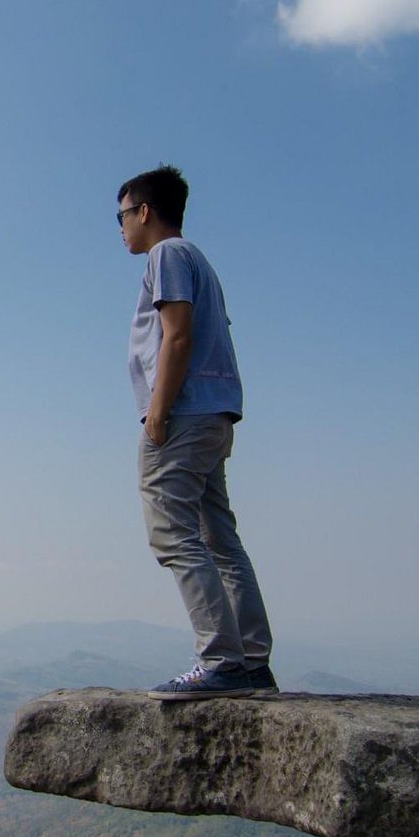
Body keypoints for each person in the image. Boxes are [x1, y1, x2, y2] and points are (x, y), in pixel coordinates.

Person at [119, 164, 275, 701]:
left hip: (183, 415)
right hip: (215, 413)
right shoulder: (198, 260)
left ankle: (221, 660)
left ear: (144, 211)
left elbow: (177, 335)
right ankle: (252, 662)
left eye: (121, 216)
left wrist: (158, 411)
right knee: (219, 538)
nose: (120, 229)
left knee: (172, 533)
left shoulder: (168, 256)